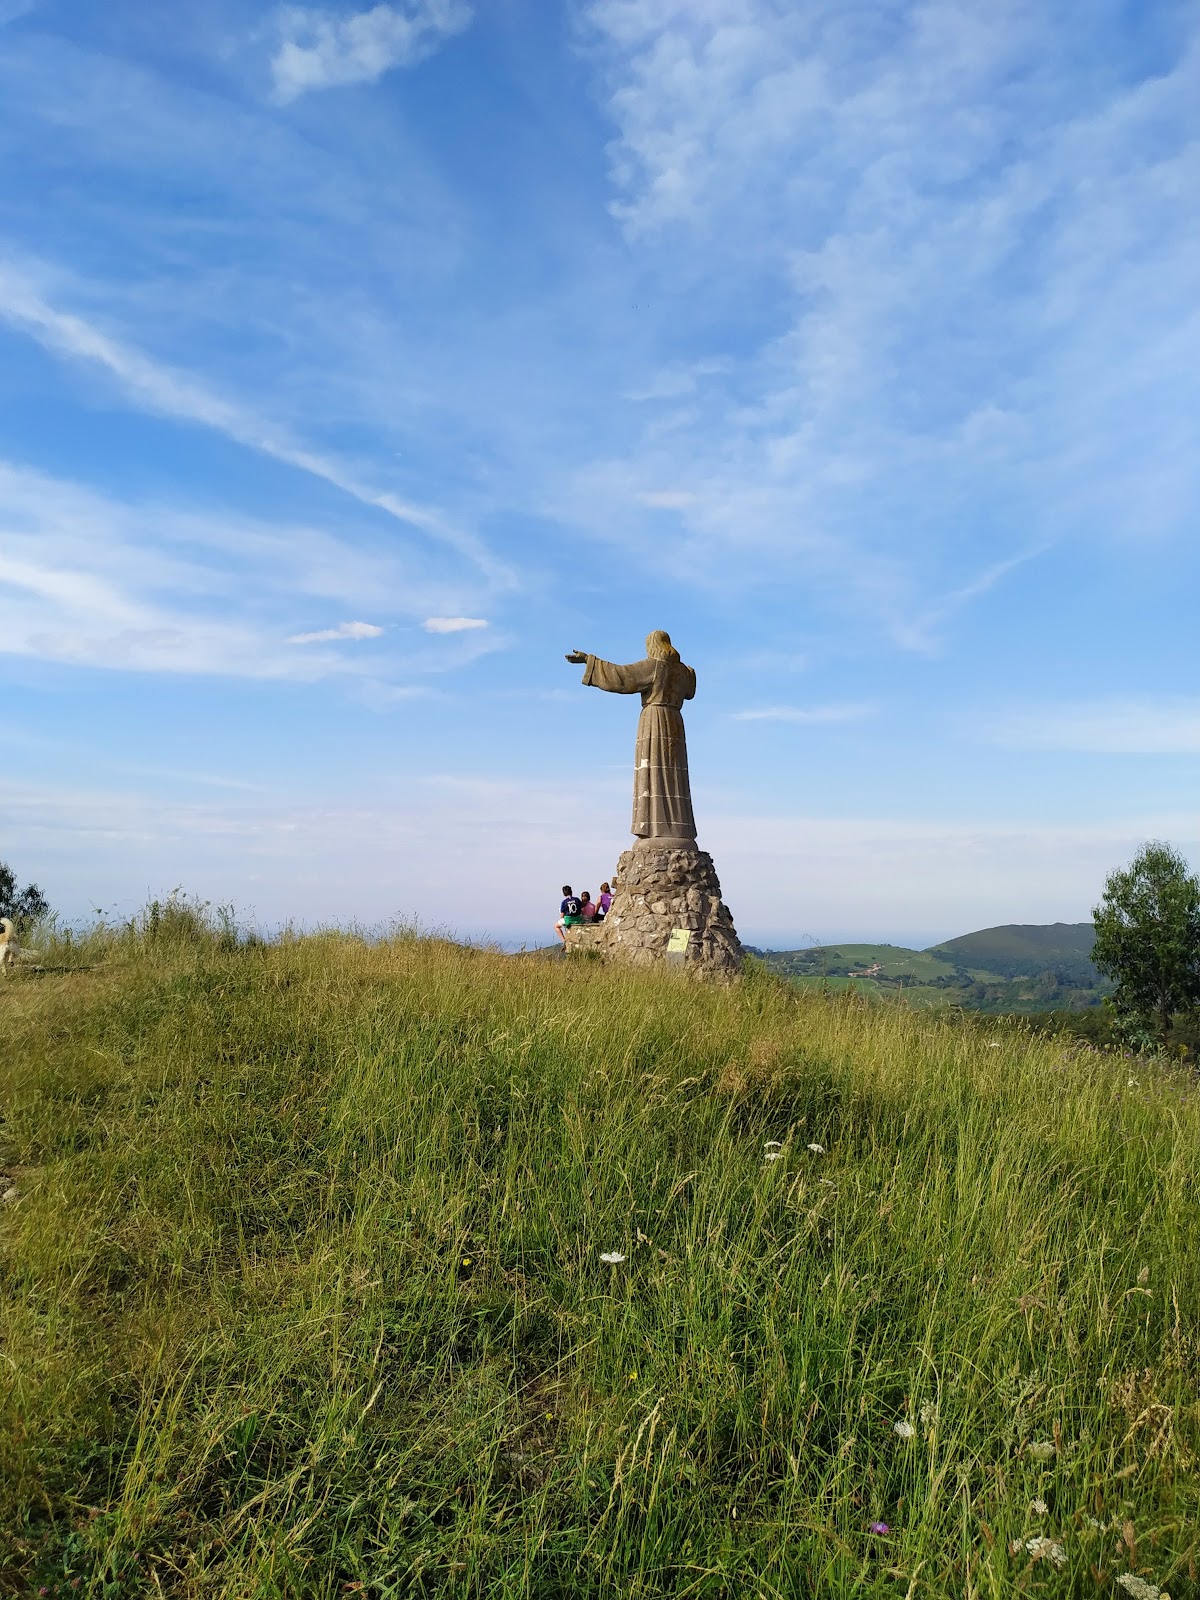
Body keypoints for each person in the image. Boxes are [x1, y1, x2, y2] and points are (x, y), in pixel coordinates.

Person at [565, 631, 697, 845]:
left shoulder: (654, 666)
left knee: (652, 772)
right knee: (674, 776)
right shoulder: (685, 672)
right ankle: (678, 828)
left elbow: (622, 676)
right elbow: (689, 692)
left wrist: (590, 661)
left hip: (654, 720)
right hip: (675, 721)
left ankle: (653, 829)